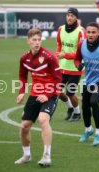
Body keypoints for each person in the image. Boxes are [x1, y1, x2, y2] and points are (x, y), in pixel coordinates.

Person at [15, 28, 62, 167]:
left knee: (43, 119)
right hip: (35, 94)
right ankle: (26, 155)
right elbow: (23, 76)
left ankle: (47, 156)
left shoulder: (49, 57)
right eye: (34, 40)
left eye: (39, 40)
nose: (37, 43)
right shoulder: (24, 58)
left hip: (51, 93)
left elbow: (58, 79)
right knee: (24, 126)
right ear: (28, 41)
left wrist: (47, 94)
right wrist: (21, 91)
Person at [56, 7, 86, 122]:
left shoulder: (81, 31)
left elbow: (81, 52)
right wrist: (57, 54)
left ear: (76, 18)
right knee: (56, 90)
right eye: (68, 15)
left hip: (75, 67)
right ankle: (70, 108)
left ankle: (77, 112)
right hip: (62, 66)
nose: (69, 18)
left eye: (72, 16)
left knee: (70, 92)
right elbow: (59, 44)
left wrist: (65, 55)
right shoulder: (60, 29)